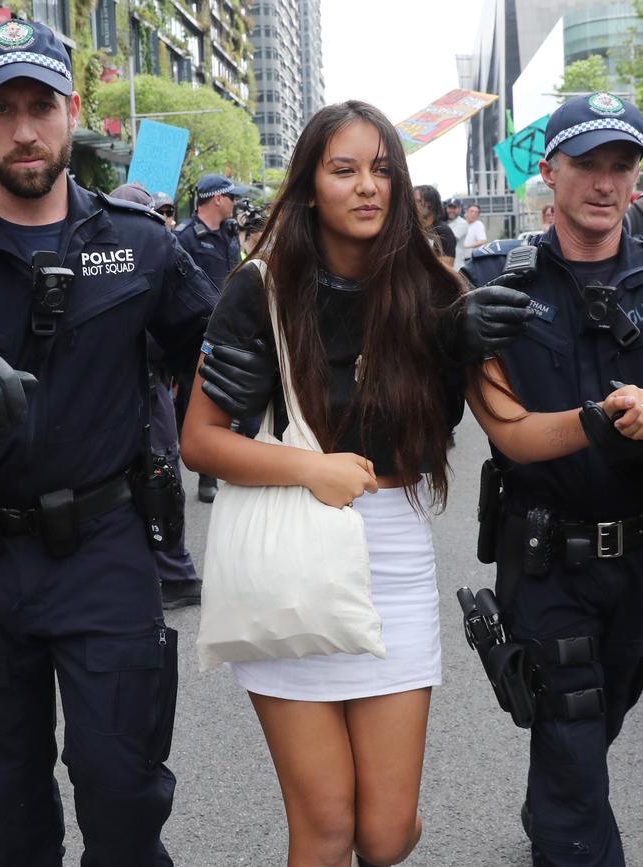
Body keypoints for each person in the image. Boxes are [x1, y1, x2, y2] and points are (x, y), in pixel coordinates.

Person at [181, 100, 532, 867]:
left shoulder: (438, 289)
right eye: (344, 169)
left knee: (384, 833)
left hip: (397, 559)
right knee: (328, 827)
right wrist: (310, 466)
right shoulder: (260, 287)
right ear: (310, 186)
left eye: (382, 169)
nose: (367, 186)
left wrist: (593, 414)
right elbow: (198, 440)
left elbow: (511, 425)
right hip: (290, 553)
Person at [0, 20, 217, 866]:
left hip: (103, 548)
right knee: (6, 816)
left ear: (71, 111)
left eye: (39, 106)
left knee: (122, 794)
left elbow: (228, 357)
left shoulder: (142, 245)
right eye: (2, 108)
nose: (22, 129)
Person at [463, 91, 643, 867]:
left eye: (622, 165)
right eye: (587, 164)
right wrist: (451, 331)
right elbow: (504, 427)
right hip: (547, 562)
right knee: (571, 737)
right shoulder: (491, 282)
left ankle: (555, 812)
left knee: (598, 722)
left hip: (640, 557)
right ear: (551, 173)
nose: (604, 183)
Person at [111, 183, 203, 610]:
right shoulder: (110, 265)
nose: (164, 219)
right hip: (129, 395)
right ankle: (169, 572)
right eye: (153, 212)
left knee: (162, 472)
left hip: (155, 387)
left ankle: (173, 570)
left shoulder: (162, 257)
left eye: (165, 212)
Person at [175, 173, 240, 503]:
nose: (235, 204)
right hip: (198, 335)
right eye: (232, 198)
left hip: (233, 329)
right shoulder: (184, 236)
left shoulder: (230, 233)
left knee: (235, 395)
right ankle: (206, 476)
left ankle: (236, 460)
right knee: (200, 400)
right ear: (218, 199)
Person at [413, 184, 456, 267]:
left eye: (417, 201)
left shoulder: (443, 231)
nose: (413, 205)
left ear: (431, 205)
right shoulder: (414, 229)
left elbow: (447, 265)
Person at [445, 197, 468, 270]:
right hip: (444, 265)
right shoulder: (444, 222)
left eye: (454, 208)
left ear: (460, 209)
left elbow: (448, 240)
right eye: (449, 207)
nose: (451, 210)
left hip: (456, 266)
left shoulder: (463, 223)